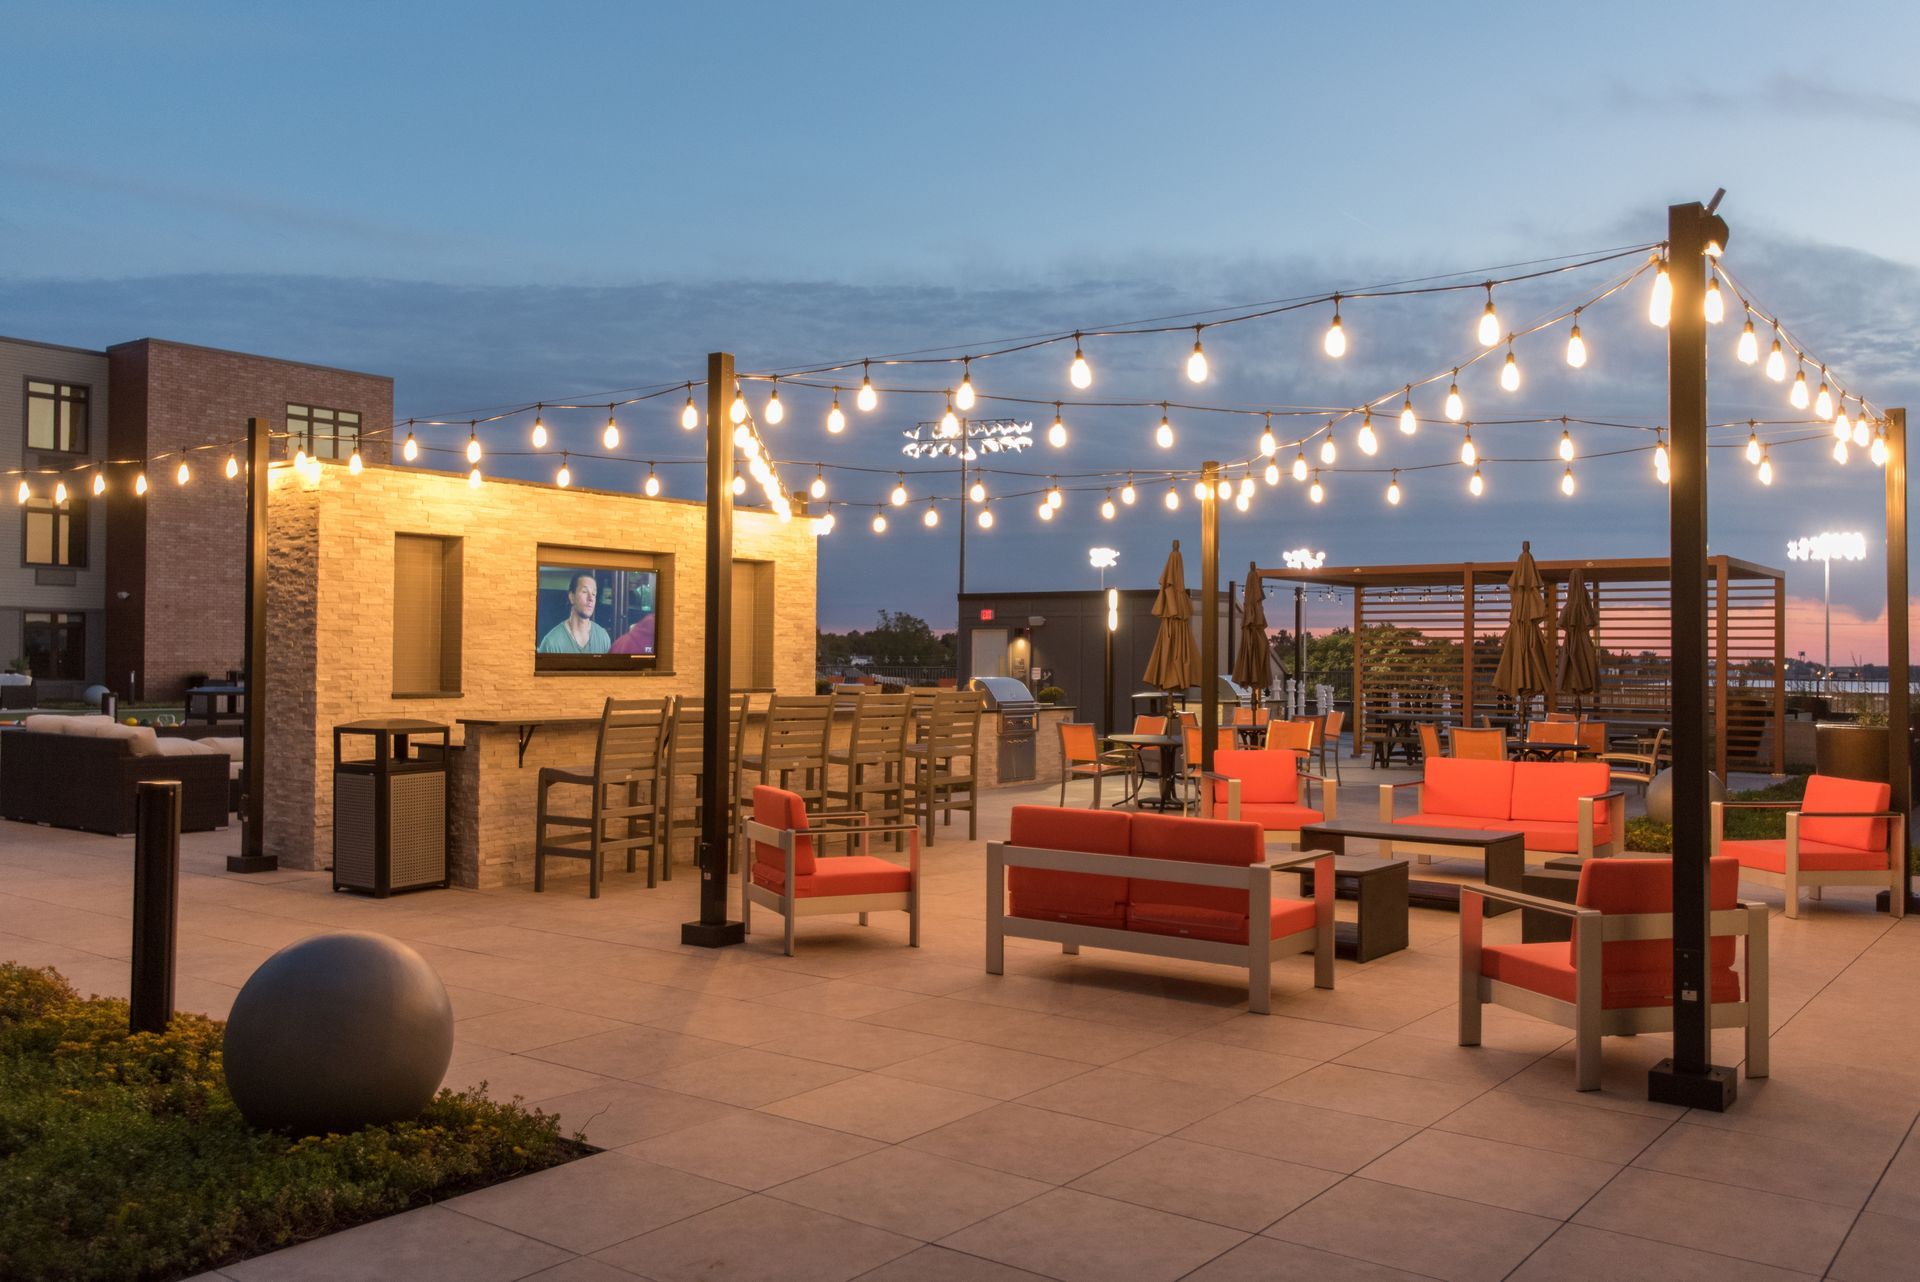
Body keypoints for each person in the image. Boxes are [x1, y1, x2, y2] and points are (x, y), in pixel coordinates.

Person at [537, 572, 611, 653]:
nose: (591, 598)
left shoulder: (603, 637)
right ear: (572, 597)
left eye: (594, 594)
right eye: (585, 592)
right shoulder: (551, 643)